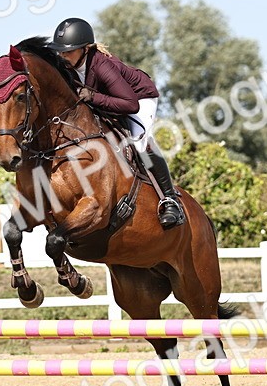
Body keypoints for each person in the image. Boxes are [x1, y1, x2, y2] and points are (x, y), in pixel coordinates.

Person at [46, 17, 185, 228]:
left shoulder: (103, 66)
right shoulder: (69, 65)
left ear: (85, 49)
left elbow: (130, 105)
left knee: (139, 141)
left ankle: (170, 199)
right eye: (60, 51)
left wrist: (93, 98)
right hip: (109, 99)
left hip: (139, 98)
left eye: (68, 51)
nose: (63, 56)